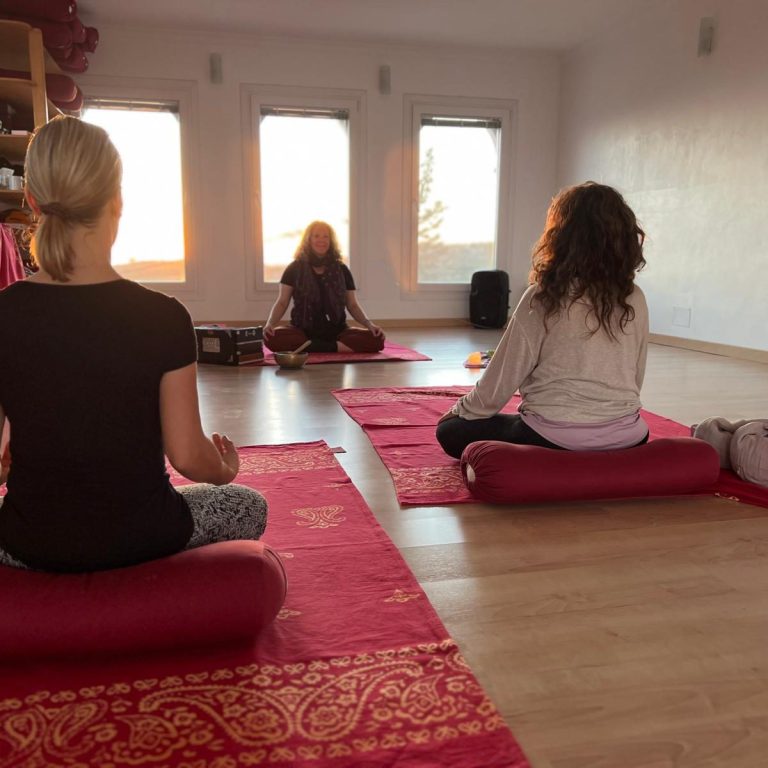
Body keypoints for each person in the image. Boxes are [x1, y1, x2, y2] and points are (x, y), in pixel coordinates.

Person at [0, 116, 267, 573]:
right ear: (116, 201)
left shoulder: (5, 312)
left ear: (31, 202)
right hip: (144, 533)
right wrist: (223, 470)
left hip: (30, 542)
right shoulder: (162, 316)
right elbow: (187, 456)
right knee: (249, 505)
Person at [437, 181, 650, 459]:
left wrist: (458, 413)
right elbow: (636, 375)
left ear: (562, 237)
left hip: (551, 438)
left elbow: (497, 385)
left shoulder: (543, 296)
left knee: (451, 432)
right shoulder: (634, 296)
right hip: (628, 437)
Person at [263, 221, 385, 353]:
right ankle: (336, 348)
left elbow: (353, 305)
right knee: (270, 338)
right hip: (302, 331)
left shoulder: (342, 269)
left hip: (337, 331)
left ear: (331, 241)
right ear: (308, 240)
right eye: (316, 236)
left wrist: (369, 324)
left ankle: (309, 348)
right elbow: (282, 302)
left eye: (325, 236)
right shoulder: (294, 268)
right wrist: (270, 324)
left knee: (377, 339)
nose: (321, 240)